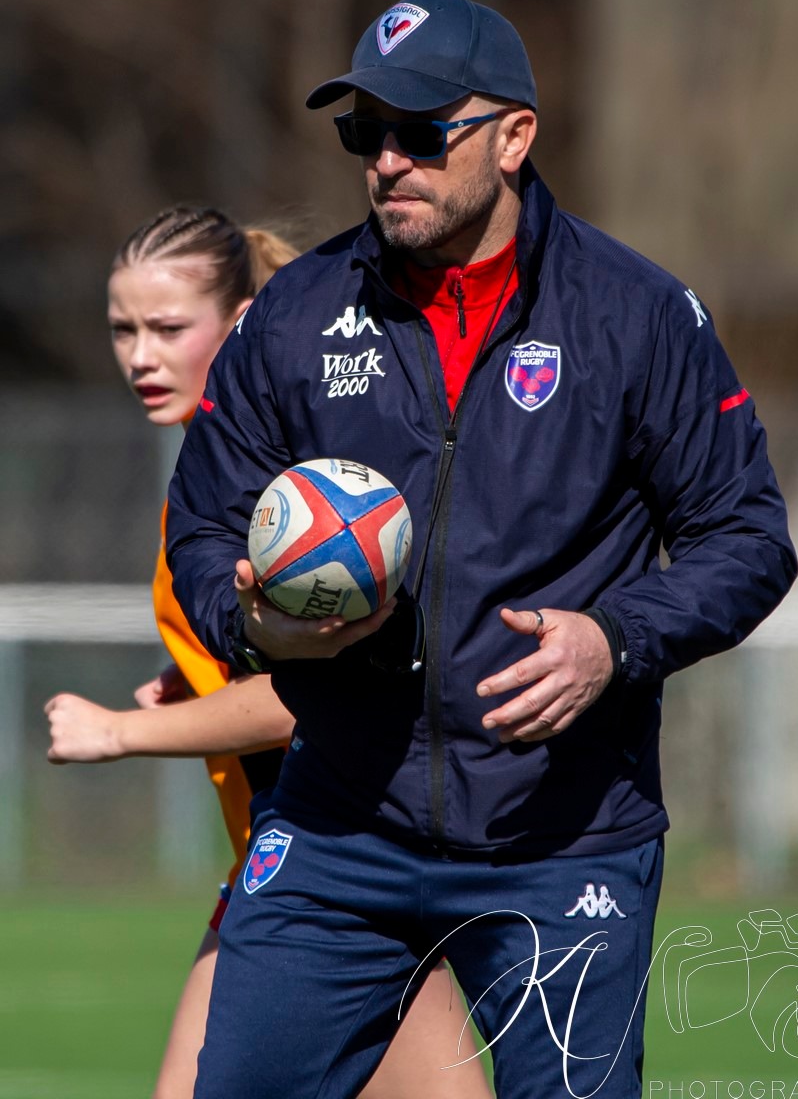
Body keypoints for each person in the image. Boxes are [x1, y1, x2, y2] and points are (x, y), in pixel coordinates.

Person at [166, 0, 798, 1099]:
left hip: (564, 840)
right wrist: (254, 622)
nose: (388, 161)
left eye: (421, 129)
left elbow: (746, 535)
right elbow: (204, 527)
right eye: (366, 132)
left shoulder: (636, 315)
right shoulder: (296, 317)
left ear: (514, 136)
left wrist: (614, 639)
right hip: (337, 829)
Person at [45, 202, 490, 1099]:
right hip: (282, 867)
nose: (139, 356)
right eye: (122, 329)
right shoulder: (202, 494)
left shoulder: (295, 507)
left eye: (168, 328)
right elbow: (277, 663)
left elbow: (311, 699)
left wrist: (118, 733)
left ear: (245, 322)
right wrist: (197, 680)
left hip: (352, 874)